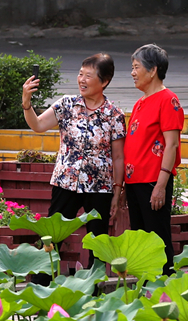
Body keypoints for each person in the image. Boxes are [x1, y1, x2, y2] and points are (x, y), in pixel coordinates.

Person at [21, 53, 125, 262]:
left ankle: (95, 290)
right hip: (65, 183)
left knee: (98, 242)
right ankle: (43, 283)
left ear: (104, 81)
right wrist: (26, 102)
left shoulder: (114, 114)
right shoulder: (67, 104)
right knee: (52, 238)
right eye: (80, 74)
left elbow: (119, 157)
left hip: (99, 187)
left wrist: (117, 192)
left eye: (88, 75)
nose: (82, 80)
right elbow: (38, 125)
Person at [123, 43, 184, 274]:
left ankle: (163, 287)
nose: (132, 72)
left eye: (136, 67)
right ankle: (144, 288)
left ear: (153, 70)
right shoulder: (140, 103)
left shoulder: (168, 100)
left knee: (158, 238)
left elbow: (172, 145)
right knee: (141, 240)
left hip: (153, 181)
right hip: (134, 181)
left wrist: (161, 185)